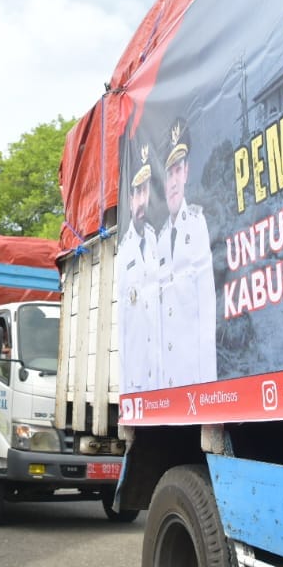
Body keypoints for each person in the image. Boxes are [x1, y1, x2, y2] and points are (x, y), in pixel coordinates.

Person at [155, 118, 217, 387]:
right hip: (164, 386)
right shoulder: (158, 240)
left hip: (193, 382)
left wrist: (208, 388)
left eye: (178, 170)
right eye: (168, 174)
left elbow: (206, 316)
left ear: (187, 172)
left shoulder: (197, 224)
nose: (173, 182)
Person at [116, 141, 162, 392]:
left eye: (147, 190)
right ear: (130, 199)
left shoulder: (158, 241)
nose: (143, 200)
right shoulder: (123, 254)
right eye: (138, 192)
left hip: (161, 380)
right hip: (136, 384)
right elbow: (123, 329)